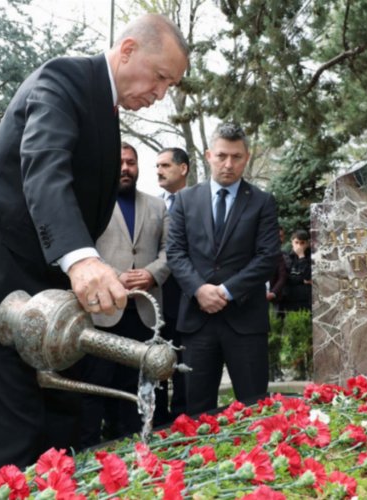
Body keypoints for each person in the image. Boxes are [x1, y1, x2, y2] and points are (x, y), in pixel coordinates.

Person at [0, 14, 189, 469]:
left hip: (49, 303)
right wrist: (81, 260)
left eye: (170, 85)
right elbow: (44, 170)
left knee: (58, 440)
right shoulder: (62, 80)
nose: (161, 93)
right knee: (9, 446)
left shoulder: (107, 113)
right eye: (161, 77)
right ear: (128, 50)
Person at [166, 123, 280, 415]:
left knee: (256, 411)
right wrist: (199, 290)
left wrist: (227, 292)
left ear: (247, 157)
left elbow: (267, 257)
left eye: (237, 157)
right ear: (208, 155)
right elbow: (176, 253)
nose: (228, 164)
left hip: (245, 322)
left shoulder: (262, 202)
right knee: (196, 413)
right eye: (222, 156)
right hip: (197, 321)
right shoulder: (184, 200)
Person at [81, 142, 171, 444]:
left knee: (139, 388)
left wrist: (151, 274)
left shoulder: (157, 206)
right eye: (120, 162)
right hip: (103, 313)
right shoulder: (93, 204)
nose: (125, 168)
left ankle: (136, 449)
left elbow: (169, 250)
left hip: (144, 315)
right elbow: (83, 249)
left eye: (131, 163)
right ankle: (92, 451)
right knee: (97, 386)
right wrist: (111, 275)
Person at [156, 146, 190, 417]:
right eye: (157, 166)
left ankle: (183, 418)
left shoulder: (199, 203)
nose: (159, 171)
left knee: (185, 365)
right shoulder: (153, 205)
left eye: (166, 165)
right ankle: (155, 420)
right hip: (155, 301)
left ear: (183, 168)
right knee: (156, 362)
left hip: (189, 299)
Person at [280, 229, 312, 313]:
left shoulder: (311, 257)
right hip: (290, 299)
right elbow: (286, 278)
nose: (299, 246)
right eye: (296, 242)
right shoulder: (286, 257)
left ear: (307, 243)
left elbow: (308, 277)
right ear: (292, 242)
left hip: (306, 300)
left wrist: (301, 256)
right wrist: (302, 279)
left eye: (302, 243)